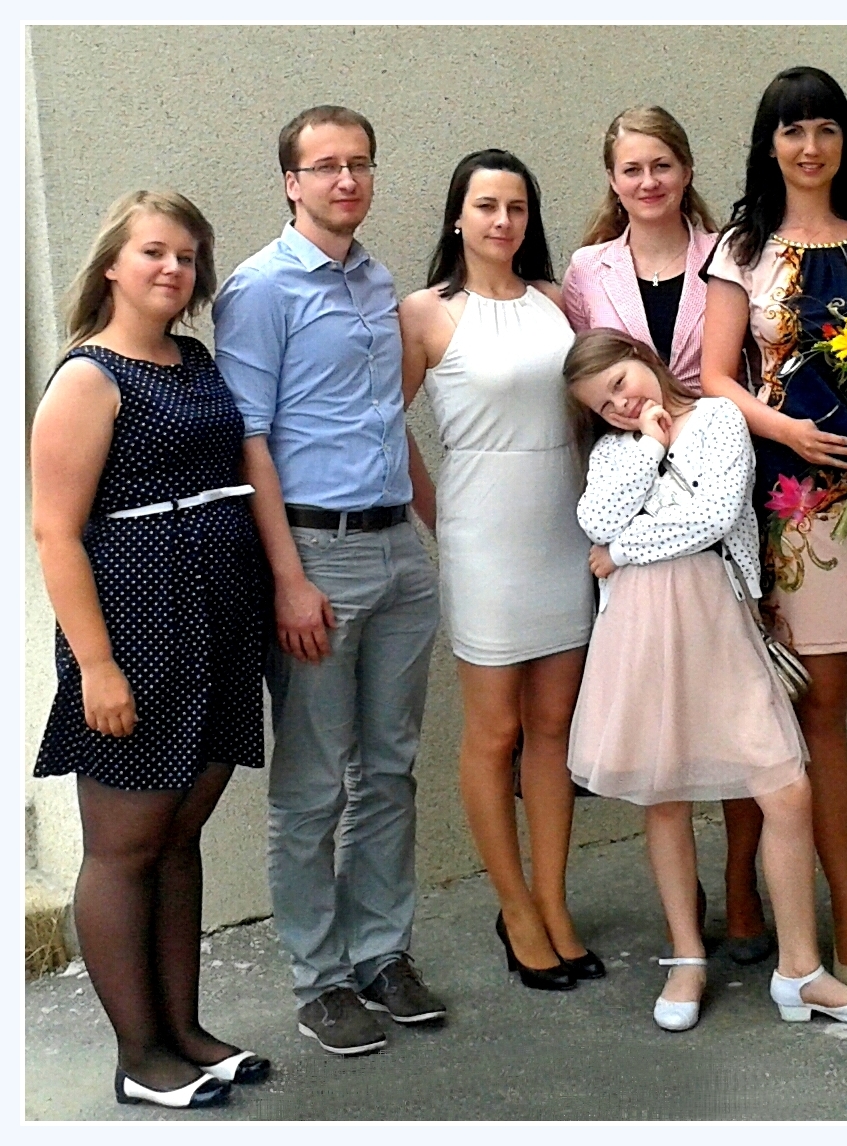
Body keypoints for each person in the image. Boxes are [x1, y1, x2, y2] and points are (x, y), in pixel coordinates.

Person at [563, 328, 847, 1031]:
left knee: (784, 786)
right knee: (663, 793)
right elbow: (592, 518)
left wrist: (623, 548)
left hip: (719, 614)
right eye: (603, 404)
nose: (621, 404)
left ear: (643, 359)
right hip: (640, 628)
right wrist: (646, 448)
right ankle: (686, 957)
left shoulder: (717, 418)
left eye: (621, 382)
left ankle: (800, 970)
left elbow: (713, 518)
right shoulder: (615, 451)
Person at [701, 66, 847, 995]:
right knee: (820, 704)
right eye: (792, 130)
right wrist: (784, 428)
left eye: (826, 128)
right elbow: (714, 377)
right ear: (769, 145)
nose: (810, 147)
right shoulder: (741, 249)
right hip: (797, 498)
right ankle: (842, 903)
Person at [213, 105, 445, 1056]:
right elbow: (249, 440)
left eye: (360, 163)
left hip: (396, 552)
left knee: (388, 769)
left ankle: (382, 953)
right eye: (325, 166)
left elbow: (384, 417)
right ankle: (321, 979)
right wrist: (288, 578)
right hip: (316, 553)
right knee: (313, 786)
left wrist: (435, 533)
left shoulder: (375, 279)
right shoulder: (259, 289)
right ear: (291, 183)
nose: (346, 180)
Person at [30, 190, 268, 1108]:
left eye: (187, 256)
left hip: (216, 621)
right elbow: (56, 533)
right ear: (112, 266)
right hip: (134, 629)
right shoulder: (89, 378)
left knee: (179, 835)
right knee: (124, 846)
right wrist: (96, 666)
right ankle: (140, 1056)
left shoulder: (193, 360)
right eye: (155, 252)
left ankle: (184, 1030)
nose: (174, 269)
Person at [562, 105, 773, 966]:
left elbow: (742, 365)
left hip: (715, 456)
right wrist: (632, 466)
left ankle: (741, 886)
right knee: (666, 717)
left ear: (684, 169)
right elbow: (590, 381)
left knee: (740, 711)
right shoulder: (588, 269)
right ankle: (684, 917)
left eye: (661, 165)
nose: (647, 181)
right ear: (611, 181)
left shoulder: (729, 251)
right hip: (632, 469)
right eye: (630, 169)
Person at [399, 149, 598, 993]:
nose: (501, 221)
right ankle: (514, 909)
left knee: (553, 726)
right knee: (493, 733)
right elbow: (385, 430)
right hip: (483, 538)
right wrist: (440, 515)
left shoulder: (555, 302)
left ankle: (553, 902)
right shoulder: (424, 313)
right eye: (485, 206)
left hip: (562, 526)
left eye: (516, 207)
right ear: (458, 215)